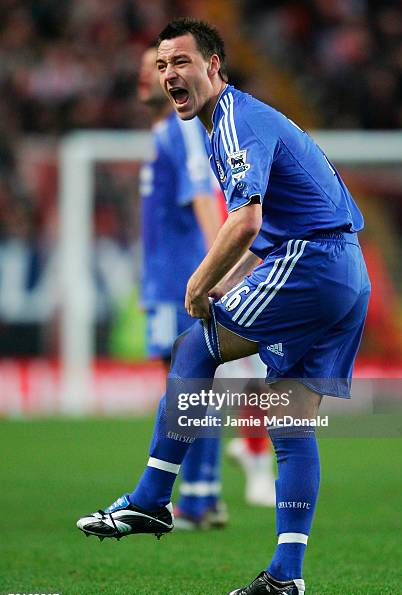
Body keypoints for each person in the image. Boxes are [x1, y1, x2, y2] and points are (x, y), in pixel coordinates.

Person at [77, 18, 371, 595]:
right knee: (288, 421)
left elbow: (248, 220)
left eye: (181, 62)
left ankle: (153, 497)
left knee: (196, 344)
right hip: (344, 275)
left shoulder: (233, 118)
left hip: (311, 262)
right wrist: (233, 278)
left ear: (214, 67)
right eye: (162, 66)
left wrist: (199, 283)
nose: (168, 75)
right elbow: (264, 227)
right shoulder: (228, 123)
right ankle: (287, 573)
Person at [138, 43, 225, 529]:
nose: (152, 74)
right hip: (162, 279)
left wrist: (217, 268)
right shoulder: (161, 135)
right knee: (187, 386)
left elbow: (203, 198)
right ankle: (200, 496)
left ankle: (198, 498)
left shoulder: (181, 133)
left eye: (168, 65)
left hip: (181, 280)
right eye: (155, 66)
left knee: (189, 386)